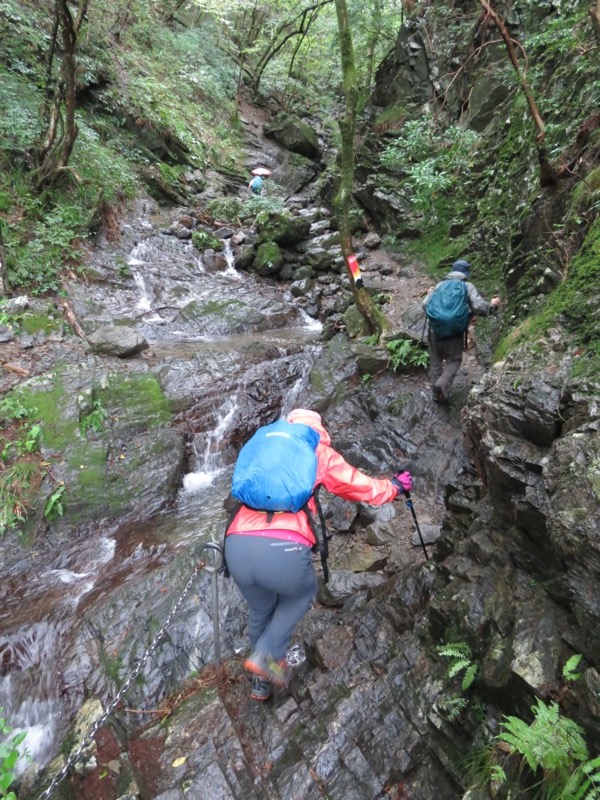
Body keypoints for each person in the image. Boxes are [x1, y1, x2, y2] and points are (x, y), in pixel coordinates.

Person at [224, 408, 412, 701]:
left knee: (262, 609)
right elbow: (357, 486)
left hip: (235, 543)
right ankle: (264, 657)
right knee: (302, 594)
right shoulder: (315, 450)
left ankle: (260, 682)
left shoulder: (263, 446)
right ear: (317, 429)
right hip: (282, 547)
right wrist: (394, 487)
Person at [424, 259, 500, 404]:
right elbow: (478, 306)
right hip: (454, 332)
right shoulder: (467, 286)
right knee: (454, 360)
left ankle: (436, 394)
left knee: (435, 361)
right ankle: (442, 385)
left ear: (452, 271)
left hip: (435, 330)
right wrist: (492, 306)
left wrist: (429, 294)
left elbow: (424, 305)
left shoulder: (439, 285)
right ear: (466, 273)